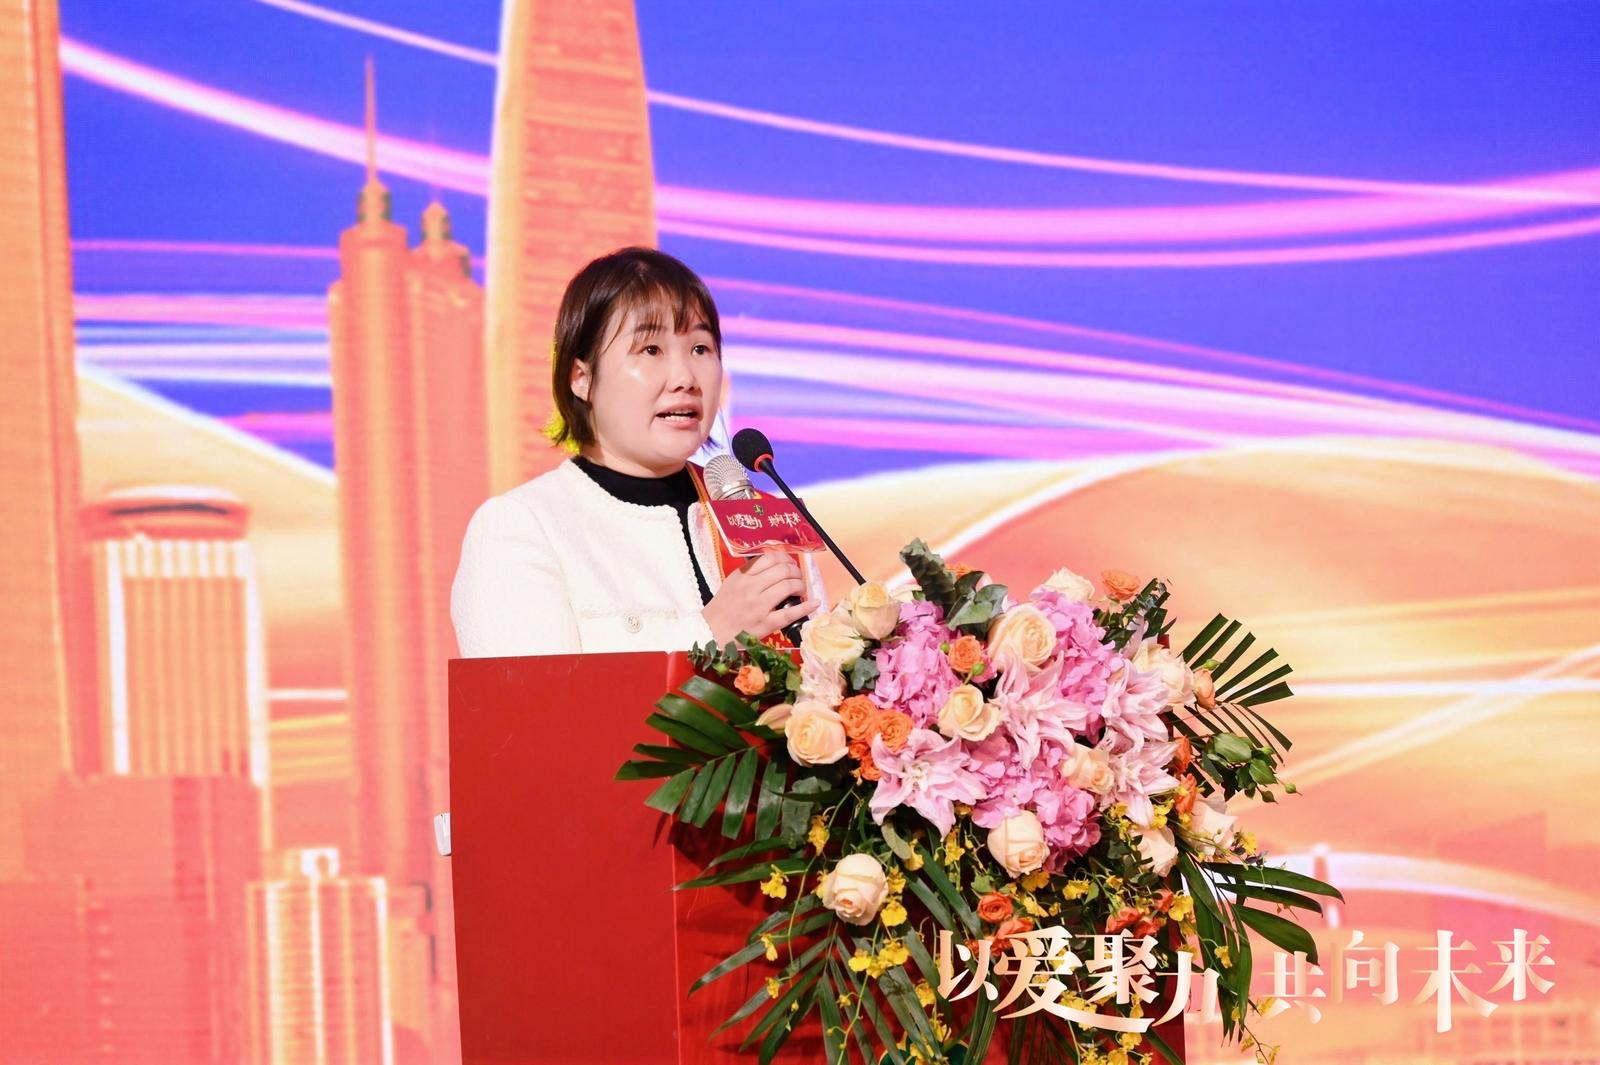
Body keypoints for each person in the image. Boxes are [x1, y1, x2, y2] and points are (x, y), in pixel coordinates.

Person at [451, 247, 822, 657]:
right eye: (651, 350)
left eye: (700, 348)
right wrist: (708, 633)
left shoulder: (768, 522)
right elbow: (527, 696)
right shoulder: (523, 526)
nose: (685, 377)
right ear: (581, 377)